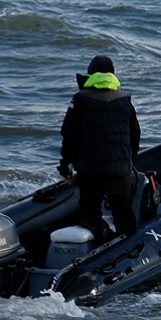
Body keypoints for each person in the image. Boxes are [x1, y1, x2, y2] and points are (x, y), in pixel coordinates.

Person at [57, 54, 141, 239]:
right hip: (120, 172)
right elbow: (135, 133)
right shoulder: (125, 99)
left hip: (90, 172)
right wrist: (130, 162)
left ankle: (102, 233)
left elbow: (69, 135)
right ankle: (131, 248)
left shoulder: (80, 99)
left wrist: (65, 166)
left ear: (90, 75)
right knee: (124, 214)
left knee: (89, 214)